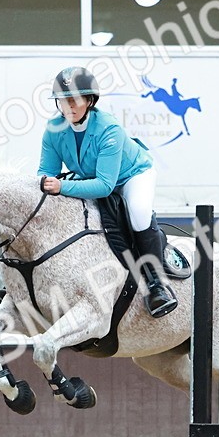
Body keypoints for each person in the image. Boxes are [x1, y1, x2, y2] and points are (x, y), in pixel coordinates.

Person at [37, 66, 177, 318]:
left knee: (138, 211)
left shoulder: (108, 129)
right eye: (63, 101)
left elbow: (104, 186)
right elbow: (46, 171)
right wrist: (45, 184)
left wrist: (62, 186)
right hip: (90, 177)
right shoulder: (53, 129)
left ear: (89, 101)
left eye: (74, 100)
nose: (68, 107)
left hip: (131, 176)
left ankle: (157, 284)